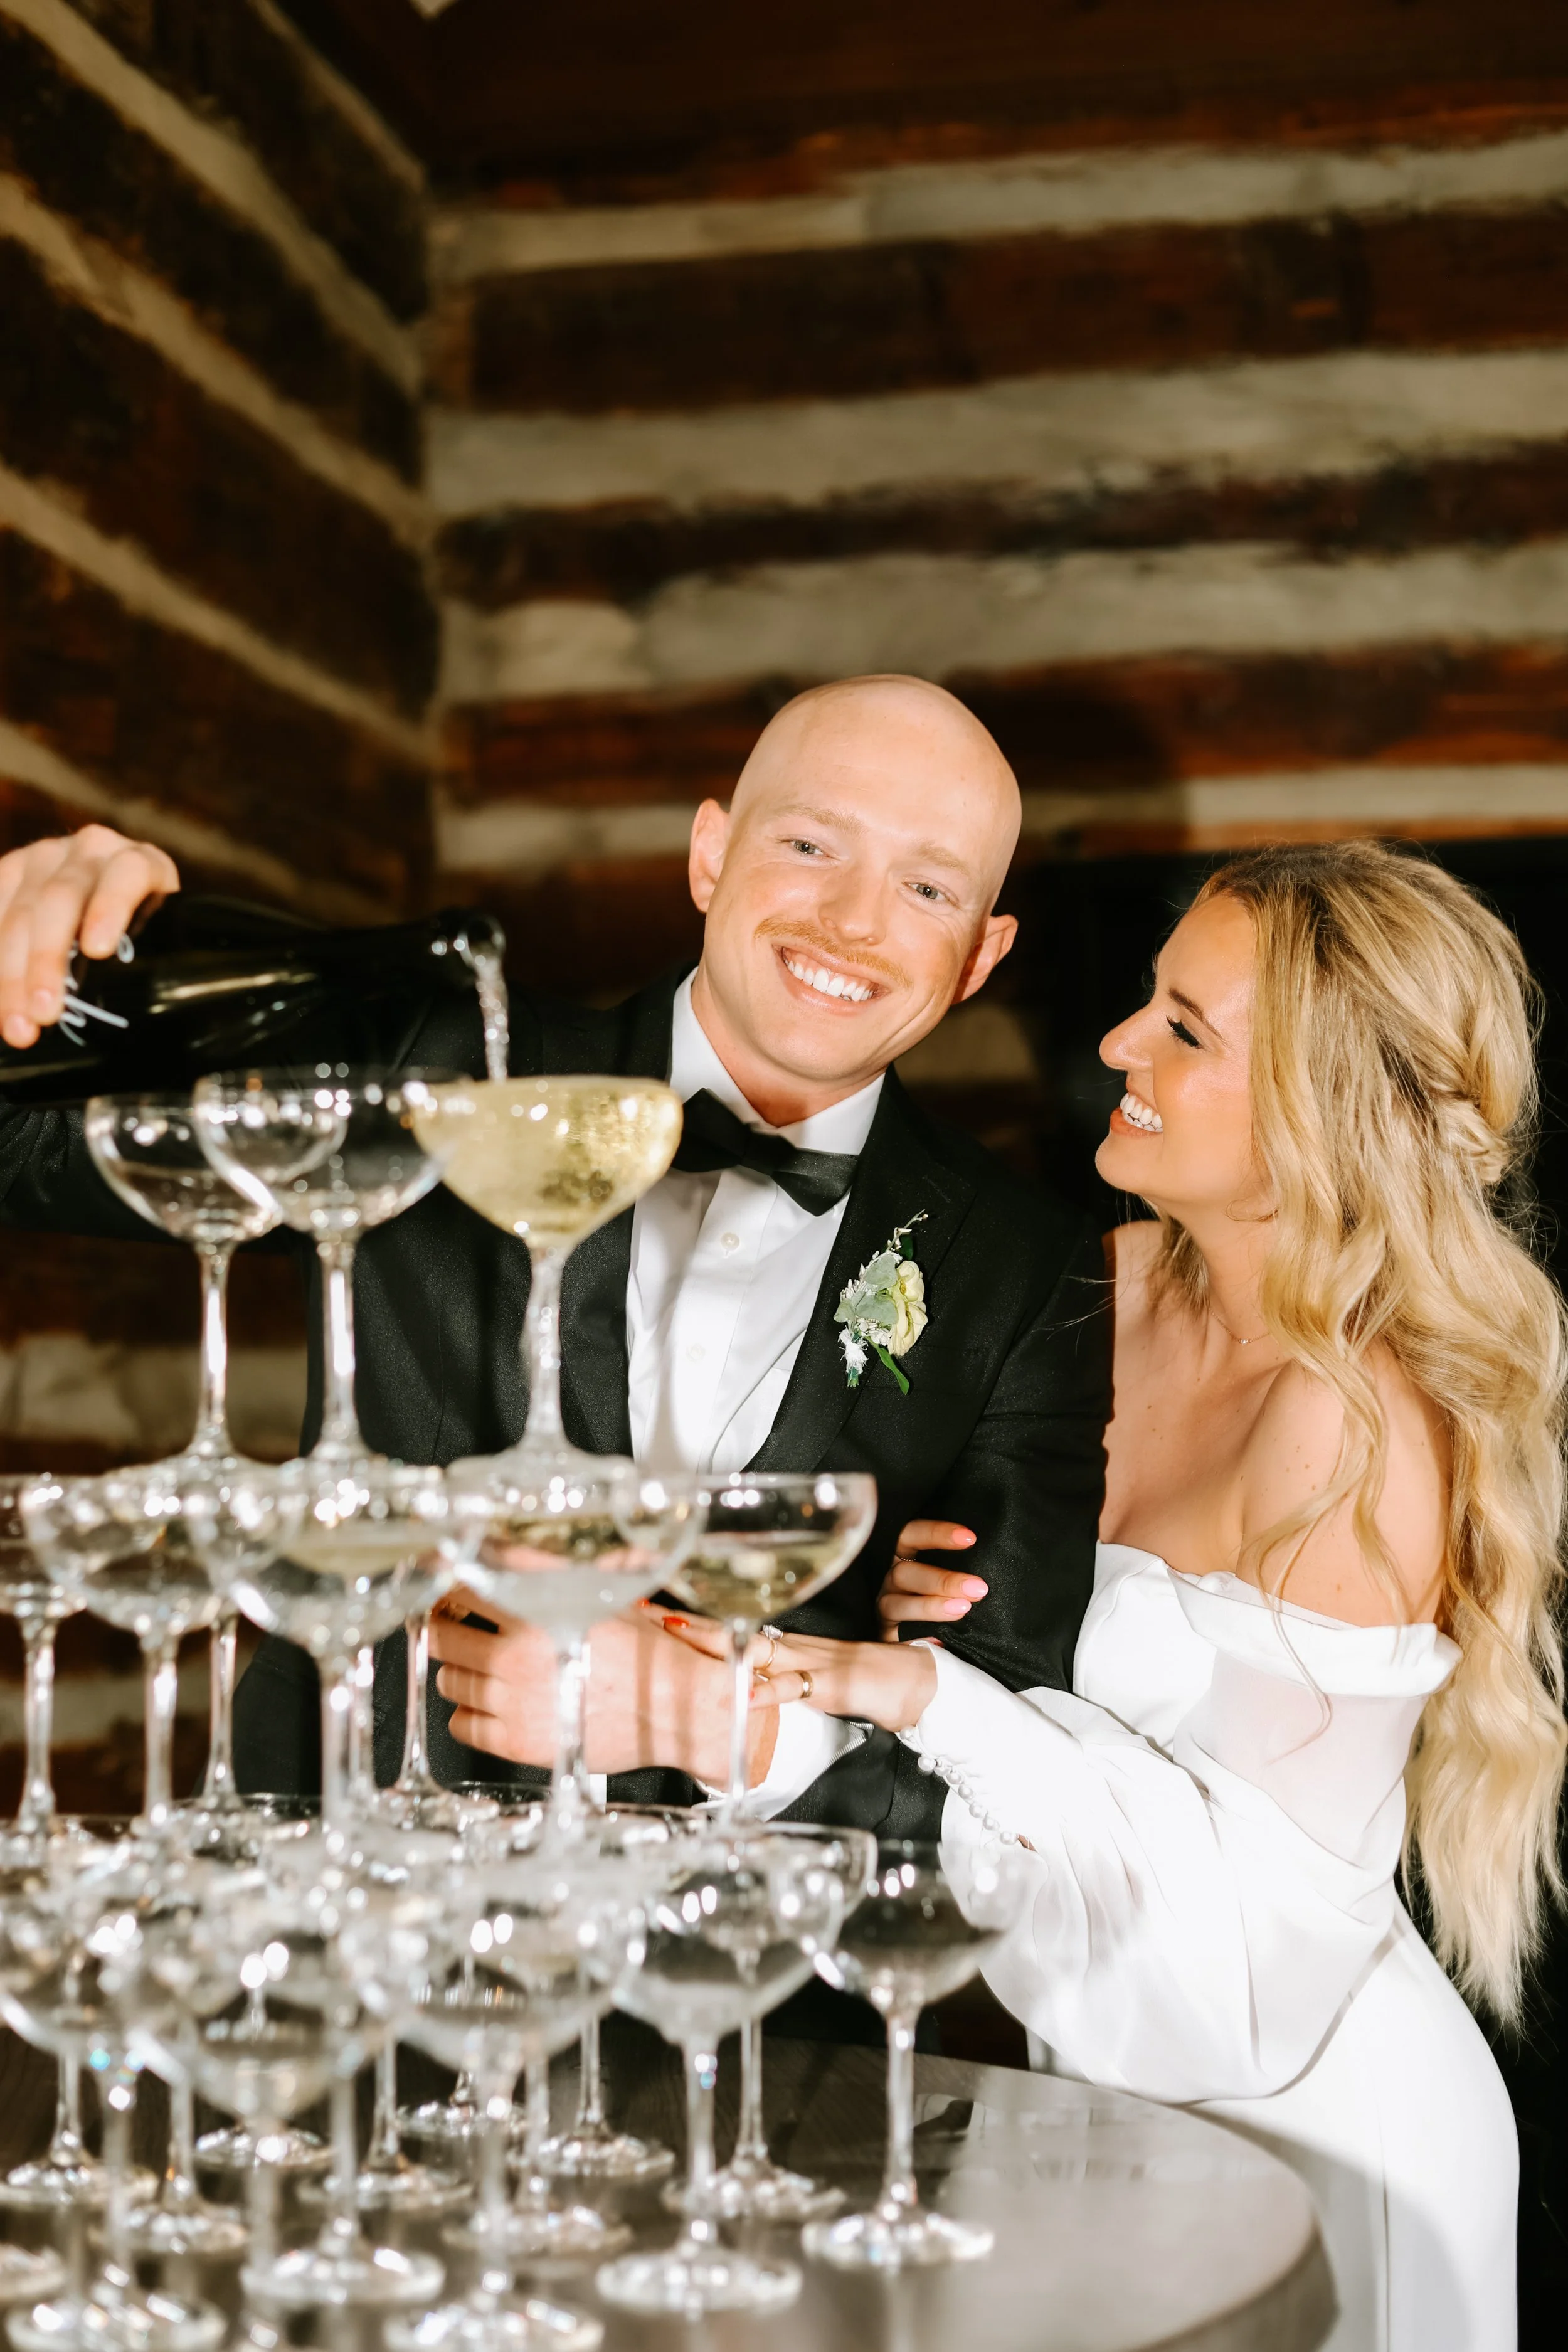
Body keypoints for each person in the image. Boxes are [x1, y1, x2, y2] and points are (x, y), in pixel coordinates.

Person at [689, 843, 1566, 2351]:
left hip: (1320, 2119)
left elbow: (1259, 1953)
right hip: (1102, 2092)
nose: (1113, 1044)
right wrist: (932, 1596)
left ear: (1318, 1112)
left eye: (1184, 1029)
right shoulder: (1099, 1285)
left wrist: (932, 1698)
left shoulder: (1354, 1428)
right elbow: (1031, 1627)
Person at [0, 675, 1110, 1830]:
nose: (855, 919)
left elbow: (1006, 1785)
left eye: (926, 885)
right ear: (710, 856)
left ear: (981, 954)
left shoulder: (1029, 1267)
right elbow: (19, 1149)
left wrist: (724, 1723)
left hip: (743, 1990)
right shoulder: (444, 1063)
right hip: (348, 1919)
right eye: (811, 842)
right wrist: (24, 940)